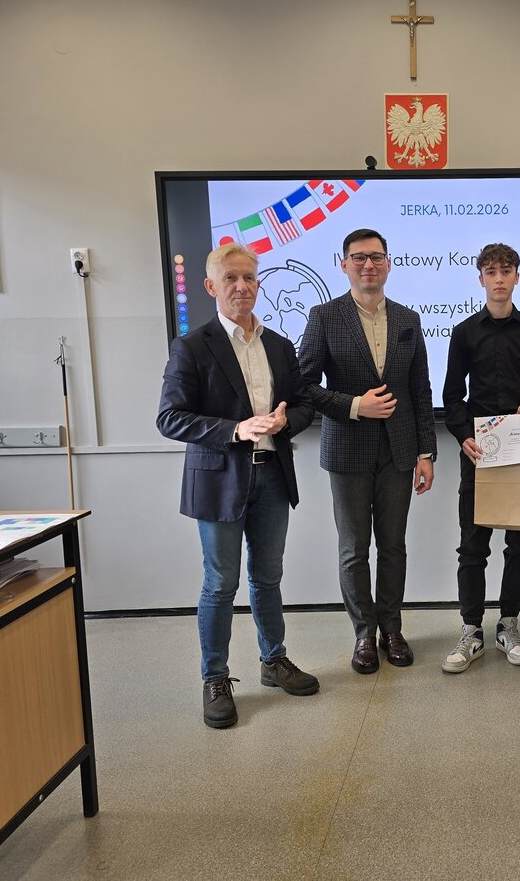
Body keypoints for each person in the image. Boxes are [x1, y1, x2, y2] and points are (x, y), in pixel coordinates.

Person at [157, 242, 319, 729]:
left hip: (272, 476)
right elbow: (170, 417)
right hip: (219, 481)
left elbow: (303, 404)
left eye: (249, 277)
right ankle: (215, 678)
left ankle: (274, 660)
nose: (242, 286)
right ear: (211, 286)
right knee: (220, 583)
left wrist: (285, 422)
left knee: (268, 577)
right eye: (230, 278)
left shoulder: (280, 346)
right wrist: (235, 429)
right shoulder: (191, 346)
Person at [299, 229, 436, 674]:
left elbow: (419, 389)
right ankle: (363, 633)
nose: (368, 265)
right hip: (347, 450)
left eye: (376, 257)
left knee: (393, 546)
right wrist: (356, 406)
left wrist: (427, 453)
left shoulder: (409, 319)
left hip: (400, 451)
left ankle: (391, 629)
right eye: (358, 257)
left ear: (388, 264)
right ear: (344, 265)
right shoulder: (323, 316)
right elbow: (303, 385)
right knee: (354, 549)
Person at [441, 242, 520, 672]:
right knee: (472, 547)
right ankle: (471, 630)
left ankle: (508, 624)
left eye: (505, 271)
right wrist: (462, 436)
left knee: (519, 545)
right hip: (478, 452)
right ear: (480, 279)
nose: (498, 278)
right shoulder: (463, 332)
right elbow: (451, 396)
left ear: (516, 277)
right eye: (490, 271)